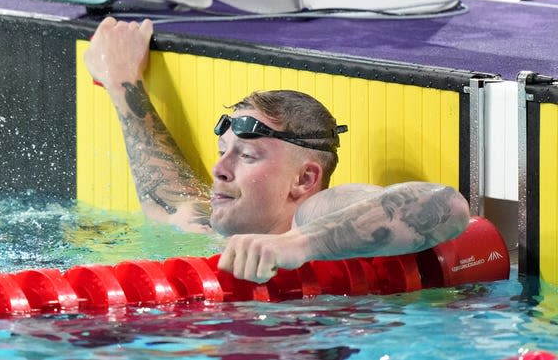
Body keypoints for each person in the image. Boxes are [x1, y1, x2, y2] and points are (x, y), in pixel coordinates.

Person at [83, 17, 471, 284]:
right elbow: (165, 189)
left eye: (247, 156)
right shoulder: (207, 227)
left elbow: (447, 207)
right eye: (223, 150)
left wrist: (295, 245)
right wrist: (122, 81)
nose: (219, 168)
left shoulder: (311, 217)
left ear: (304, 179)